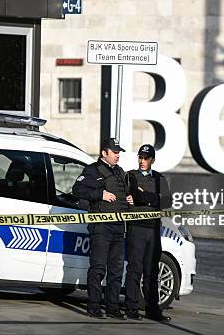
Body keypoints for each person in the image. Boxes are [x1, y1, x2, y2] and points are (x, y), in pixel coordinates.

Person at [72, 138, 133, 320]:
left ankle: (113, 307)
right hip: (101, 226)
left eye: (119, 152)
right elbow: (77, 190)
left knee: (116, 270)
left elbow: (123, 195)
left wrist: (130, 200)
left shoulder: (120, 172)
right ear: (104, 153)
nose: (117, 155)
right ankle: (94, 306)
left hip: (118, 227)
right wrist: (100, 194)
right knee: (98, 268)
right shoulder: (92, 170)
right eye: (114, 152)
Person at [124, 144, 172, 322]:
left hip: (153, 230)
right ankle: (131, 308)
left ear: (152, 160)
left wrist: (145, 198)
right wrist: (153, 199)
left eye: (146, 158)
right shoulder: (131, 176)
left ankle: (153, 310)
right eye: (140, 158)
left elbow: (167, 201)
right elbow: (133, 194)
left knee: (152, 272)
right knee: (135, 270)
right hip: (136, 228)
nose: (142, 161)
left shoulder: (160, 179)